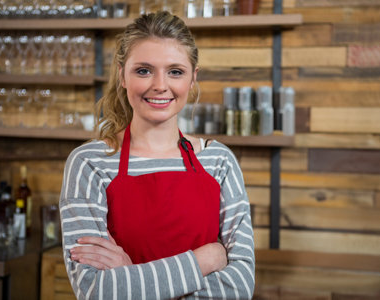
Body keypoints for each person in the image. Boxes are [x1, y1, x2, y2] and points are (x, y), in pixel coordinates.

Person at [59, 11, 255, 299]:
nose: (160, 85)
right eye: (143, 70)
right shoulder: (89, 163)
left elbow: (239, 287)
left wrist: (133, 277)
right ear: (122, 75)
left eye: (175, 71)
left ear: (192, 79)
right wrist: (205, 260)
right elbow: (96, 290)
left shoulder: (219, 161)